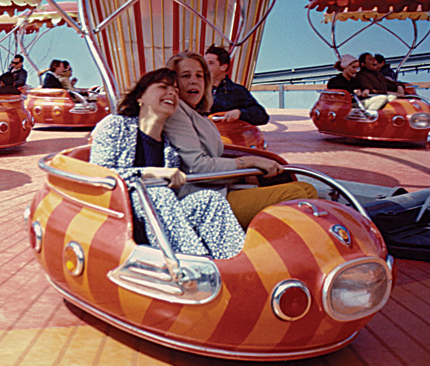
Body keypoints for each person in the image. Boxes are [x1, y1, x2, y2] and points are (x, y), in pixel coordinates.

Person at [90, 68, 245, 259]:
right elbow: (97, 176)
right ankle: (194, 266)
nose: (172, 93)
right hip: (120, 215)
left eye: (175, 91)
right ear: (141, 96)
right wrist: (151, 173)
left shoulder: (170, 149)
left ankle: (235, 264)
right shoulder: (115, 125)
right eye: (163, 87)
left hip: (160, 220)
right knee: (157, 193)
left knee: (209, 200)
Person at [164, 51, 317, 228]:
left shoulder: (197, 111)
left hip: (216, 189)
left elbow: (260, 115)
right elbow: (197, 168)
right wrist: (248, 163)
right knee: (297, 195)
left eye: (200, 75)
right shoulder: (177, 113)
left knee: (306, 189)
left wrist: (245, 173)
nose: (194, 80)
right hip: (202, 200)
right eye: (185, 75)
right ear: (173, 82)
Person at [205, 45, 269, 125]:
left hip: (226, 135)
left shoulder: (236, 91)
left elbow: (261, 116)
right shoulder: (198, 91)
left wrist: (240, 113)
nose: (205, 67)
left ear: (223, 67)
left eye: (210, 63)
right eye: (204, 63)